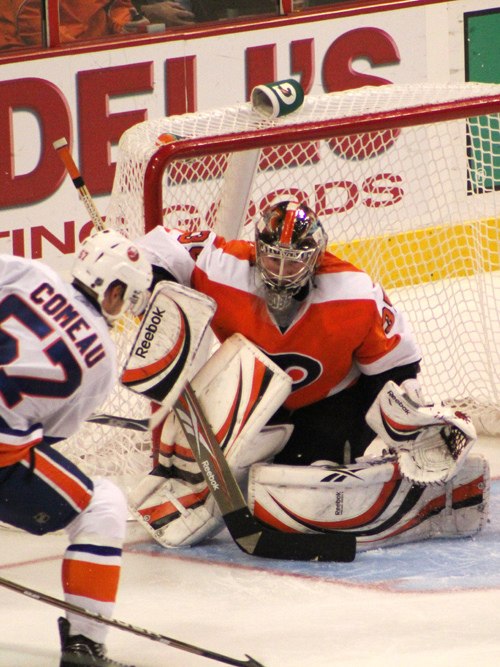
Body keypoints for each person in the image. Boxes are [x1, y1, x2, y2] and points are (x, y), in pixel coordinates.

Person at [129, 198, 482, 550]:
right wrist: (149, 284)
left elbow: (395, 367)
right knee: (231, 485)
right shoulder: (221, 266)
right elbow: (160, 247)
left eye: (294, 261)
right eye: (272, 257)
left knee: (302, 495)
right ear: (256, 249)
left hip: (335, 402)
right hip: (256, 397)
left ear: (315, 258)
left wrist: (407, 417)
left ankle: (426, 500)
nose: (281, 271)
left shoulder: (354, 293)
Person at [0, 229, 152, 666]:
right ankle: (85, 643)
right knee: (100, 507)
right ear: (115, 290)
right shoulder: (102, 359)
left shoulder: (31, 273)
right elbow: (50, 435)